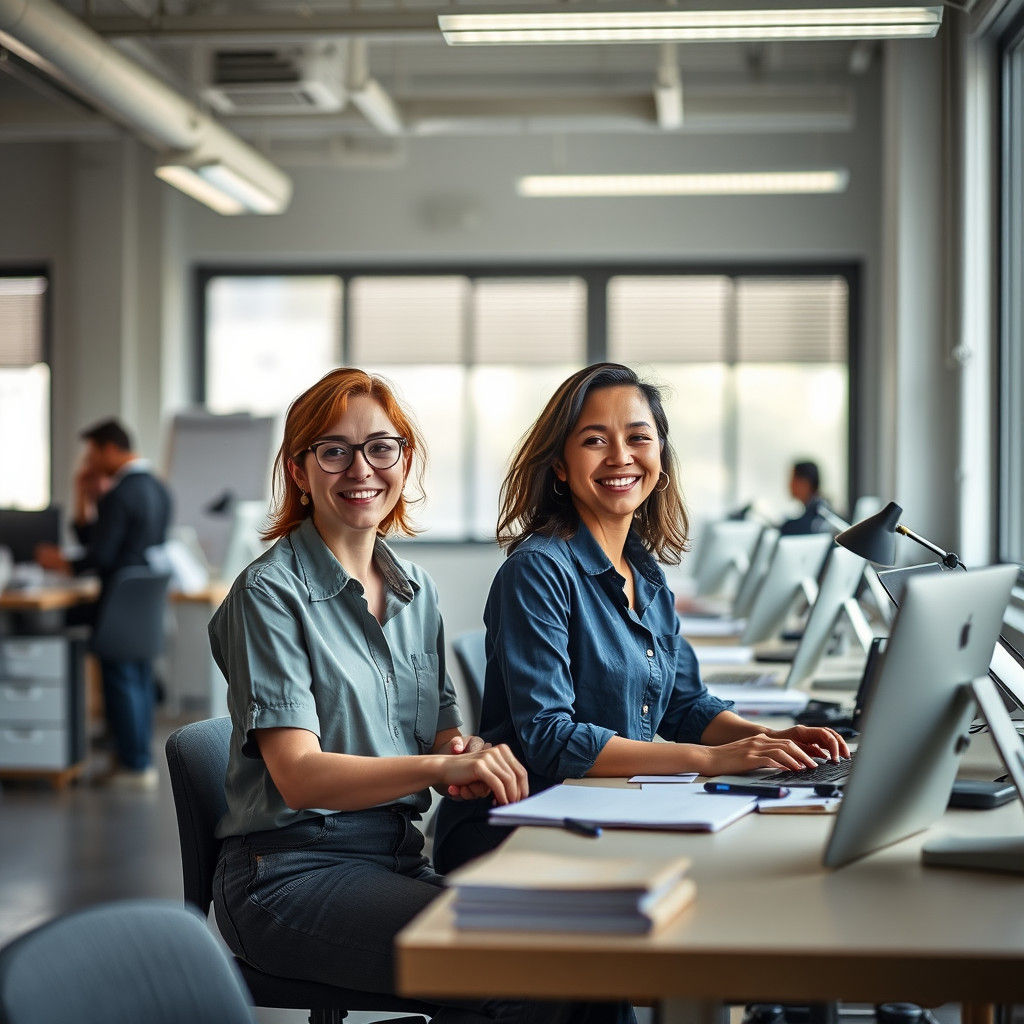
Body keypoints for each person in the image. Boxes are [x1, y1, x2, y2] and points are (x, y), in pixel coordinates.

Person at [209, 368, 617, 1024]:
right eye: (334, 451)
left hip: (394, 857)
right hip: (289, 879)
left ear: (404, 460)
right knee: (527, 977)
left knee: (573, 950)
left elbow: (440, 731)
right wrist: (441, 767)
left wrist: (466, 754)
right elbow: (299, 776)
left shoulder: (413, 590)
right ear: (298, 470)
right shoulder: (269, 595)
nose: (360, 469)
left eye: (381, 447)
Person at [433, 364, 849, 873]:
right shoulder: (537, 571)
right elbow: (550, 738)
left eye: (638, 438)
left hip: (608, 805)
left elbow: (685, 703)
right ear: (560, 466)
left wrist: (762, 739)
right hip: (519, 825)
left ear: (659, 457)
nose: (620, 457)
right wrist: (710, 761)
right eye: (594, 441)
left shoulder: (644, 570)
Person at [35, 418, 172, 789]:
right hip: (142, 601)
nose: (91, 462)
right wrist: (85, 498)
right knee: (138, 676)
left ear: (111, 449)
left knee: (121, 677)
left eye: (93, 453)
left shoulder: (121, 493)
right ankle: (136, 759)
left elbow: (101, 554)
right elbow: (104, 543)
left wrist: (63, 563)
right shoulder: (158, 488)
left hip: (119, 599)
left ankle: (131, 765)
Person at [778, 459, 832, 536]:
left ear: (805, 483)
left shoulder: (819, 515)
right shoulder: (820, 507)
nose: (789, 485)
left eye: (793, 479)